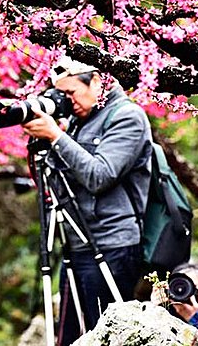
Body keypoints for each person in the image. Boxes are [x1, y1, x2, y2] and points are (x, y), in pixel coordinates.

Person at [21, 57, 153, 345]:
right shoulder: (77, 122)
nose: (67, 102)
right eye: (61, 94)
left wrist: (56, 136)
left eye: (71, 94)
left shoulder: (127, 116)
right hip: (76, 245)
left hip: (112, 246)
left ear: (96, 81)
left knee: (106, 336)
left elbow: (99, 175)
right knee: (71, 337)